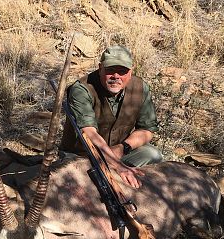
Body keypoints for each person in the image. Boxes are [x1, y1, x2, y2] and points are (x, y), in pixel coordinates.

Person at [59, 45, 163, 188]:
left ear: (131, 71)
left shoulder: (141, 88)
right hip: (82, 156)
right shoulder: (81, 89)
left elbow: (147, 130)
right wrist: (118, 166)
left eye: (122, 72)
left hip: (118, 154)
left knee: (153, 154)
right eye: (110, 71)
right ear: (100, 67)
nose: (116, 76)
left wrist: (122, 148)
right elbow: (89, 133)